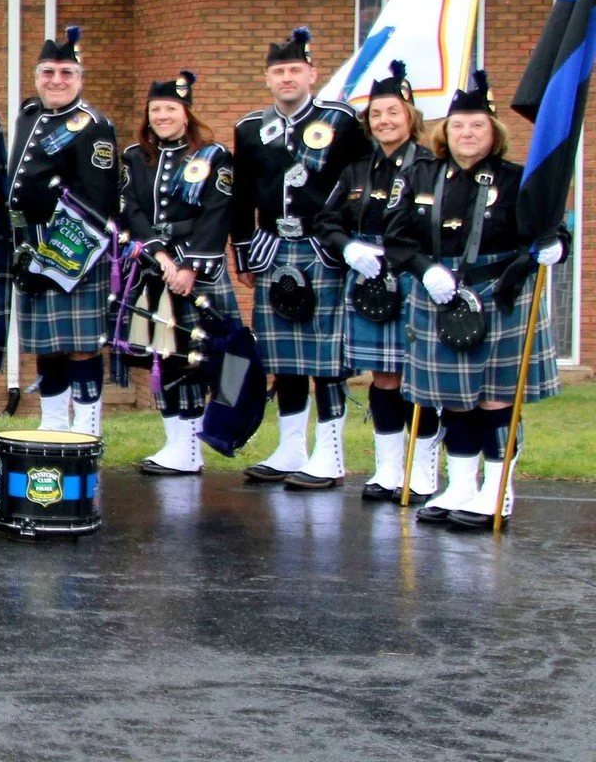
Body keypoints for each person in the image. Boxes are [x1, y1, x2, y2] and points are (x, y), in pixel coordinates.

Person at [383, 72, 565, 528]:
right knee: (453, 399)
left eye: (478, 125)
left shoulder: (517, 178)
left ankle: (498, 491)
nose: (467, 133)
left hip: (500, 294)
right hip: (439, 293)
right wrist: (425, 271)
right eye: (459, 125)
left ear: (494, 132)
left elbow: (552, 230)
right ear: (445, 131)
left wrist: (556, 246)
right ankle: (461, 485)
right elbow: (396, 239)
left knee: (495, 400)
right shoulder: (420, 175)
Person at [231, 26, 370, 489]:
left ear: (312, 74)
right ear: (267, 78)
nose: (287, 78)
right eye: (278, 71)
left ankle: (330, 455)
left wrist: (350, 241)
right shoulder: (250, 128)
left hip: (323, 249)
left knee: (326, 360)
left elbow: (361, 183)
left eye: (295, 70)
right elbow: (241, 196)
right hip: (273, 247)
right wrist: (244, 253)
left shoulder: (341, 121)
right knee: (284, 357)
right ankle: (291, 448)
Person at [312, 61, 435, 500]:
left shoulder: (431, 165)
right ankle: (387, 469)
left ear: (411, 116)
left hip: (415, 274)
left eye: (393, 112)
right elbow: (325, 219)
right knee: (384, 377)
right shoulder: (358, 169)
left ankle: (422, 471)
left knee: (420, 378)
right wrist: (348, 247)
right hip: (368, 276)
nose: (384, 121)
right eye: (376, 113)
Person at [121, 71, 237, 475]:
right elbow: (131, 209)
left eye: (170, 108)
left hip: (199, 272)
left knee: (202, 360)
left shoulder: (214, 156)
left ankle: (198, 445)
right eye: (155, 110)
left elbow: (217, 213)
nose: (162, 116)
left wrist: (187, 265)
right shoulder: (135, 157)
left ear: (187, 113)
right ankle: (176, 445)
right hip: (154, 271)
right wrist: (161, 256)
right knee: (165, 358)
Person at [5, 26, 119, 435]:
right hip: (29, 245)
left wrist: (55, 260)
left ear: (79, 79)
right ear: (36, 77)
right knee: (47, 344)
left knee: (81, 346)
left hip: (74, 249)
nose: (56, 80)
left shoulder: (93, 125)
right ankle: (53, 426)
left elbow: (96, 204)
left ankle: (86, 430)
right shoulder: (30, 114)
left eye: (66, 73)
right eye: (48, 72)